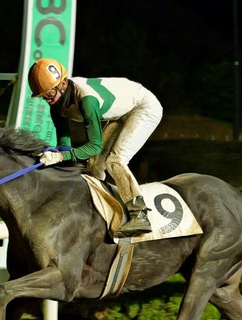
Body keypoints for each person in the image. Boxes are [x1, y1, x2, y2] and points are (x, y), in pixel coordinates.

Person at [27, 58, 163, 238]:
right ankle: (97, 208)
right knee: (94, 164)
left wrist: (60, 157)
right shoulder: (56, 107)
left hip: (143, 107)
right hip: (122, 112)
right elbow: (64, 146)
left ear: (63, 84)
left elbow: (94, 146)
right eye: (43, 96)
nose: (48, 99)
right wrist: (56, 156)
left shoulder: (86, 100)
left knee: (115, 160)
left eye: (50, 93)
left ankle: (140, 214)